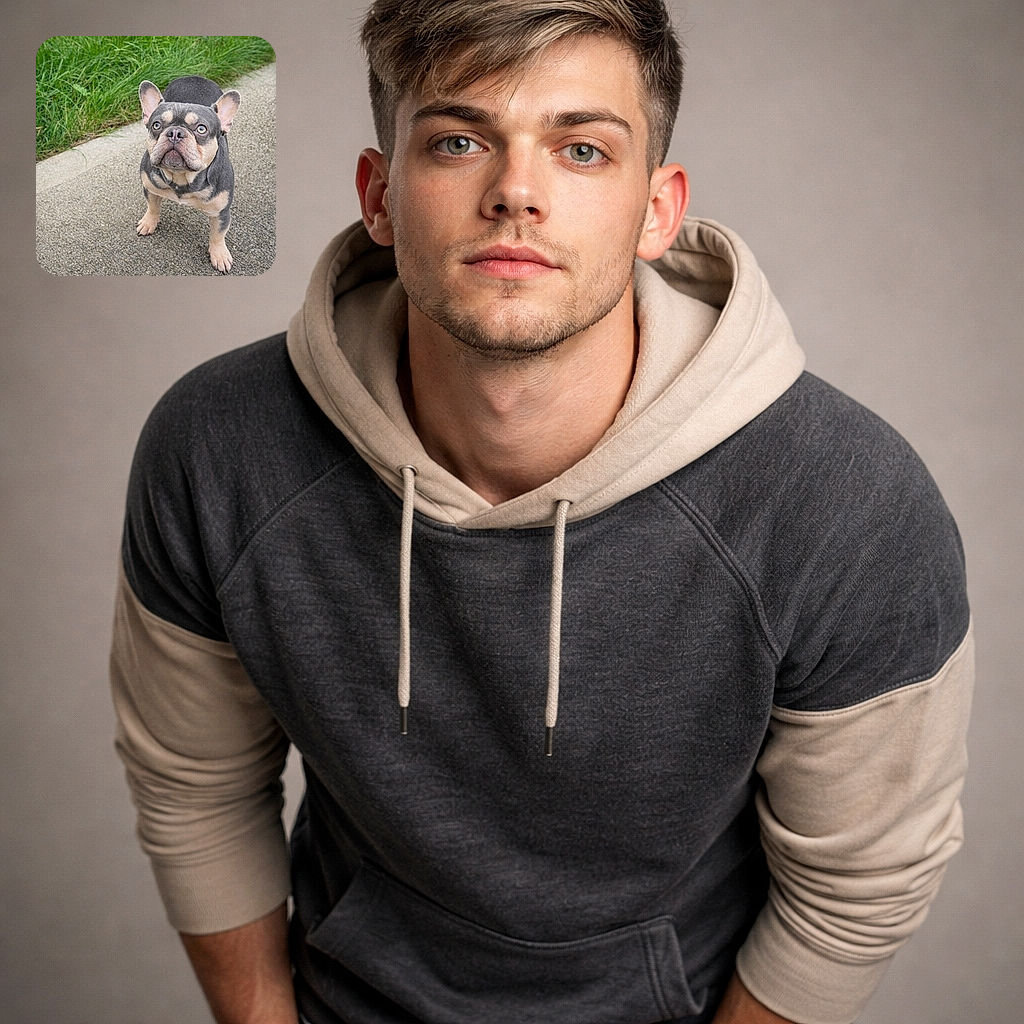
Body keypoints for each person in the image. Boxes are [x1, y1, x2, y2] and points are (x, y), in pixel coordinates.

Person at [110, 1, 974, 1022]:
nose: (515, 191)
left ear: (657, 211)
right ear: (379, 197)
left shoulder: (845, 501)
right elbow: (196, 787)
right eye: (459, 141)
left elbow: (856, 887)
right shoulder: (220, 445)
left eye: (581, 149)